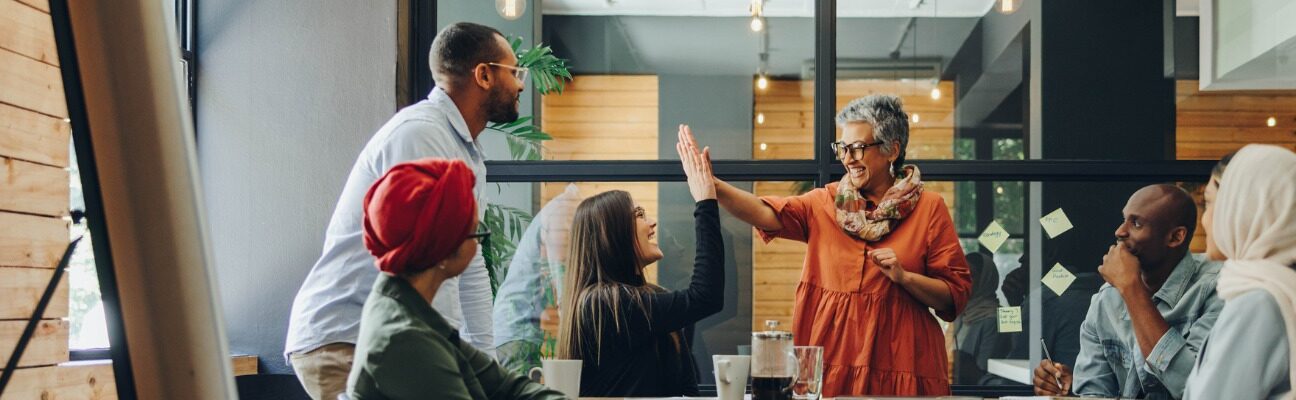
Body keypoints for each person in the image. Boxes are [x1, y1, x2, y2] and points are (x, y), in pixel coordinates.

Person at [285, 22, 525, 399]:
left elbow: (470, 264)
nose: (522, 84)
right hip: (349, 336)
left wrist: (485, 362)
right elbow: (425, 257)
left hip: (384, 335)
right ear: (483, 75)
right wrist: (447, 359)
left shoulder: (465, 150)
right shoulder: (422, 134)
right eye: (515, 72)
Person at [677, 94, 972, 396]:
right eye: (843, 148)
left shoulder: (929, 208)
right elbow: (766, 213)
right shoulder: (825, 202)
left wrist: (905, 278)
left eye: (857, 148)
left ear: (891, 150)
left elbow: (954, 296)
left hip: (903, 363)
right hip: (831, 361)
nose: (847, 158)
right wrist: (711, 184)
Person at [345, 158, 563, 400]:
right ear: (444, 249)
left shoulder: (411, 312)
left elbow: (507, 386)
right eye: (474, 232)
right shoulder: (405, 340)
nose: (478, 244)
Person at [555, 138, 724, 396]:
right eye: (639, 215)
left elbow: (685, 389)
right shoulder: (602, 303)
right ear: (611, 234)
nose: (652, 223)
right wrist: (705, 202)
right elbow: (705, 297)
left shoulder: (651, 298)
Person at [1033, 184, 1224, 399]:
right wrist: (1069, 395)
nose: (1120, 231)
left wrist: (1132, 290)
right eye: (1124, 219)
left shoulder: (1218, 288)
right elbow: (1094, 393)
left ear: (1175, 237)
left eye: (1136, 223)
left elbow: (1194, 387)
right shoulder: (1107, 298)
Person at [1184, 145, 1296, 400]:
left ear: (1243, 208)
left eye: (1209, 203)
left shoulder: (1259, 302)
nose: (1204, 219)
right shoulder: (1281, 287)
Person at [493, 184, 582, 375]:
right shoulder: (563, 210)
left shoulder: (556, 208)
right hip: (517, 328)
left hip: (513, 326)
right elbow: (559, 272)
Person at [951, 253, 1008, 384]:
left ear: (985, 280)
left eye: (971, 275)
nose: (963, 280)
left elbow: (982, 371)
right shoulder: (961, 313)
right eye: (961, 274)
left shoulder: (994, 320)